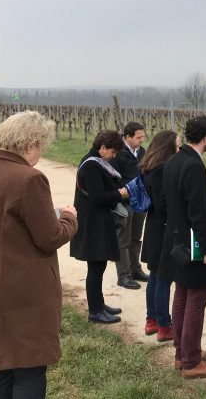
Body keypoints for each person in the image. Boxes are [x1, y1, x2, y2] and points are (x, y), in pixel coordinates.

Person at [0, 111, 78, 399]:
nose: (40, 154)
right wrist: (69, 217)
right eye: (42, 146)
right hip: (24, 293)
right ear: (30, 142)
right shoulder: (29, 179)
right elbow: (50, 237)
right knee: (28, 367)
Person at [157, 115, 206, 379]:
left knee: (182, 296)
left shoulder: (174, 160)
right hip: (195, 247)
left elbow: (164, 203)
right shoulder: (193, 166)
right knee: (197, 300)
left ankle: (182, 353)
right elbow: (199, 213)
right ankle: (192, 362)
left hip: (177, 244)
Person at [70, 130, 129, 324]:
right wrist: (120, 194)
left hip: (98, 220)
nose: (113, 156)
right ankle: (95, 311)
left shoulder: (98, 162)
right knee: (95, 266)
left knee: (100, 264)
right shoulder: (91, 166)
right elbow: (97, 197)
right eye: (112, 152)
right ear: (102, 148)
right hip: (92, 222)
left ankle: (99, 303)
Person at [140, 130, 181, 342]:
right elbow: (164, 203)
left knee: (155, 276)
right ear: (168, 146)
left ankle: (152, 321)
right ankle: (165, 326)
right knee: (163, 277)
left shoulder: (149, 167)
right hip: (163, 227)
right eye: (177, 143)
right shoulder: (163, 170)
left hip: (154, 225)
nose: (180, 146)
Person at [111, 121, 147, 289]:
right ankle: (123, 276)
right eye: (139, 137)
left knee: (136, 237)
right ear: (127, 137)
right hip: (124, 202)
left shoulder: (142, 152)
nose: (142, 140)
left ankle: (135, 269)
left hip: (139, 201)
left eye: (142, 136)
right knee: (123, 239)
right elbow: (112, 178)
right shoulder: (117, 154)